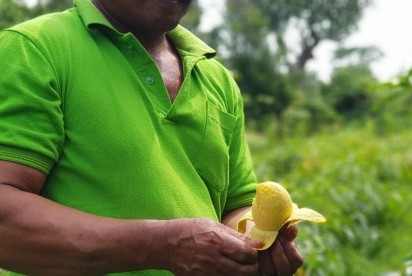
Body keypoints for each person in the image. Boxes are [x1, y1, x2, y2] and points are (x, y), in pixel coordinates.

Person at [0, 0, 304, 275]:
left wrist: (253, 239)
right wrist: (162, 245)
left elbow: (234, 205)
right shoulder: (34, 50)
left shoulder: (216, 78)